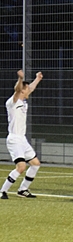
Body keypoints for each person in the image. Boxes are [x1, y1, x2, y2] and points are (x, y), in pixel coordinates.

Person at [1, 70, 43, 199]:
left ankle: (23, 190)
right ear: (22, 91)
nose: (28, 90)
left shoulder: (23, 100)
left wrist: (38, 79)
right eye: (26, 89)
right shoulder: (12, 102)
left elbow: (29, 88)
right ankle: (2, 191)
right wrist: (20, 79)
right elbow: (18, 90)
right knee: (21, 166)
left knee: (35, 164)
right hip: (14, 139)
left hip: (22, 139)